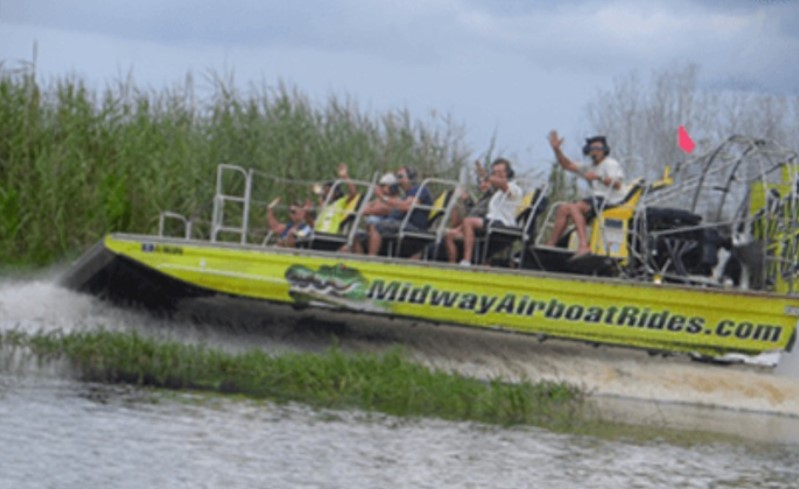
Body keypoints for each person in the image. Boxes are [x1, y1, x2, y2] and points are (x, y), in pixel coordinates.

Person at [546, 130, 625, 256]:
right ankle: (551, 244)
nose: (595, 151)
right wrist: (557, 150)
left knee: (574, 208)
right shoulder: (589, 166)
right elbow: (568, 165)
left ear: (604, 150)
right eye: (593, 148)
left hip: (610, 200)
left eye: (598, 148)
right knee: (563, 208)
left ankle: (584, 245)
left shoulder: (610, 164)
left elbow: (617, 184)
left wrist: (598, 177)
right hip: (595, 199)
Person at [444, 158, 523, 266]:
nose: (496, 175)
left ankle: (467, 261)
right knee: (450, 234)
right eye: (495, 172)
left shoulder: (514, 188)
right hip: (490, 220)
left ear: (508, 173)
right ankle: (451, 265)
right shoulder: (496, 194)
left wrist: (485, 175)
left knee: (468, 221)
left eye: (500, 172)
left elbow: (503, 185)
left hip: (503, 223)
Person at [367, 166, 432, 256]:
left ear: (410, 178)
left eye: (400, 177)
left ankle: (371, 258)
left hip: (413, 226)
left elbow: (407, 206)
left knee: (379, 226)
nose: (397, 180)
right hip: (400, 222)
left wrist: (383, 197)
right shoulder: (405, 194)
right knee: (363, 234)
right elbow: (394, 207)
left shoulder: (419, 190)